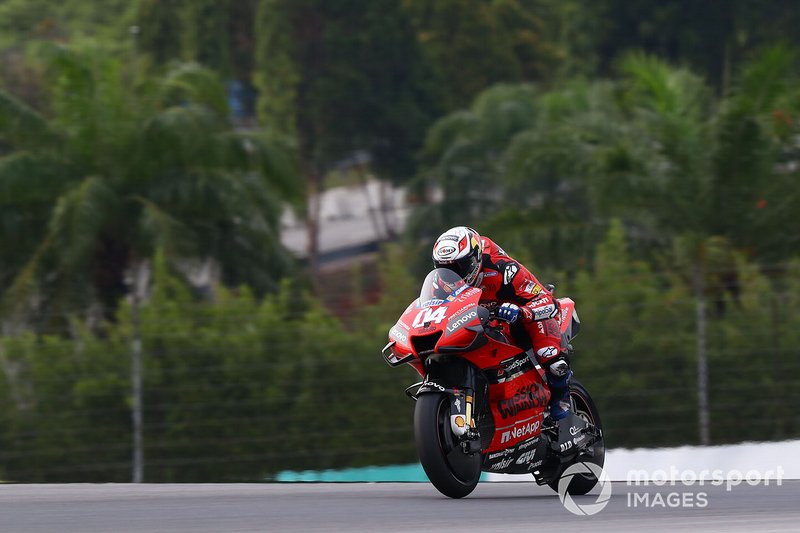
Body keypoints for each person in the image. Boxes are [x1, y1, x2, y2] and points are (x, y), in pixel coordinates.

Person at [431, 226, 572, 421]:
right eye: (444, 268)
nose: (451, 274)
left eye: (458, 267)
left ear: (475, 258)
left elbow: (549, 302)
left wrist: (522, 312)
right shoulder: (440, 284)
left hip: (526, 318)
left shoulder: (503, 269)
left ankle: (562, 406)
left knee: (549, 355)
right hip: (482, 324)